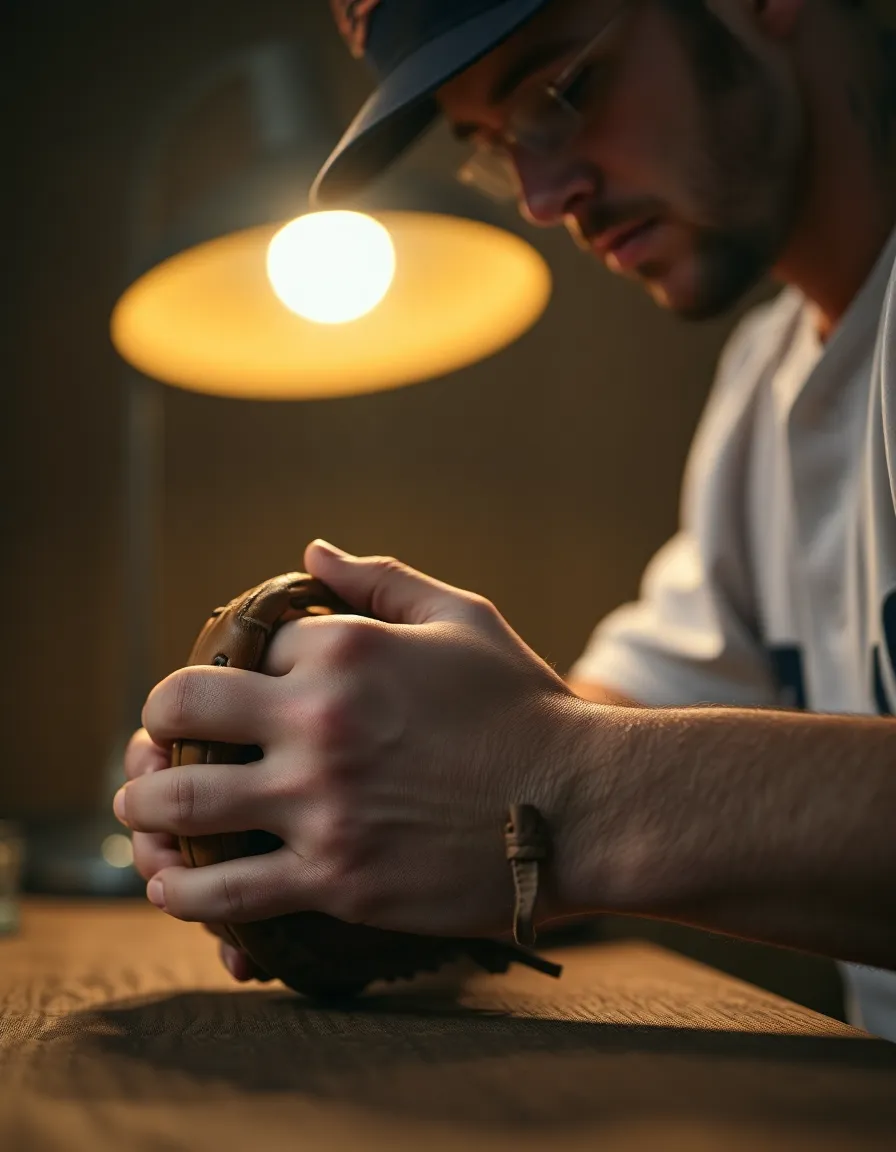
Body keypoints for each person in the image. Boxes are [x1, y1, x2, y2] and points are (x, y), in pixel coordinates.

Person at [116, 0, 896, 1039]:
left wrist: (548, 793)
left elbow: (590, 773)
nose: (540, 193)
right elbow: (635, 733)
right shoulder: (764, 398)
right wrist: (331, 801)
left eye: (560, 91)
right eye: (491, 144)